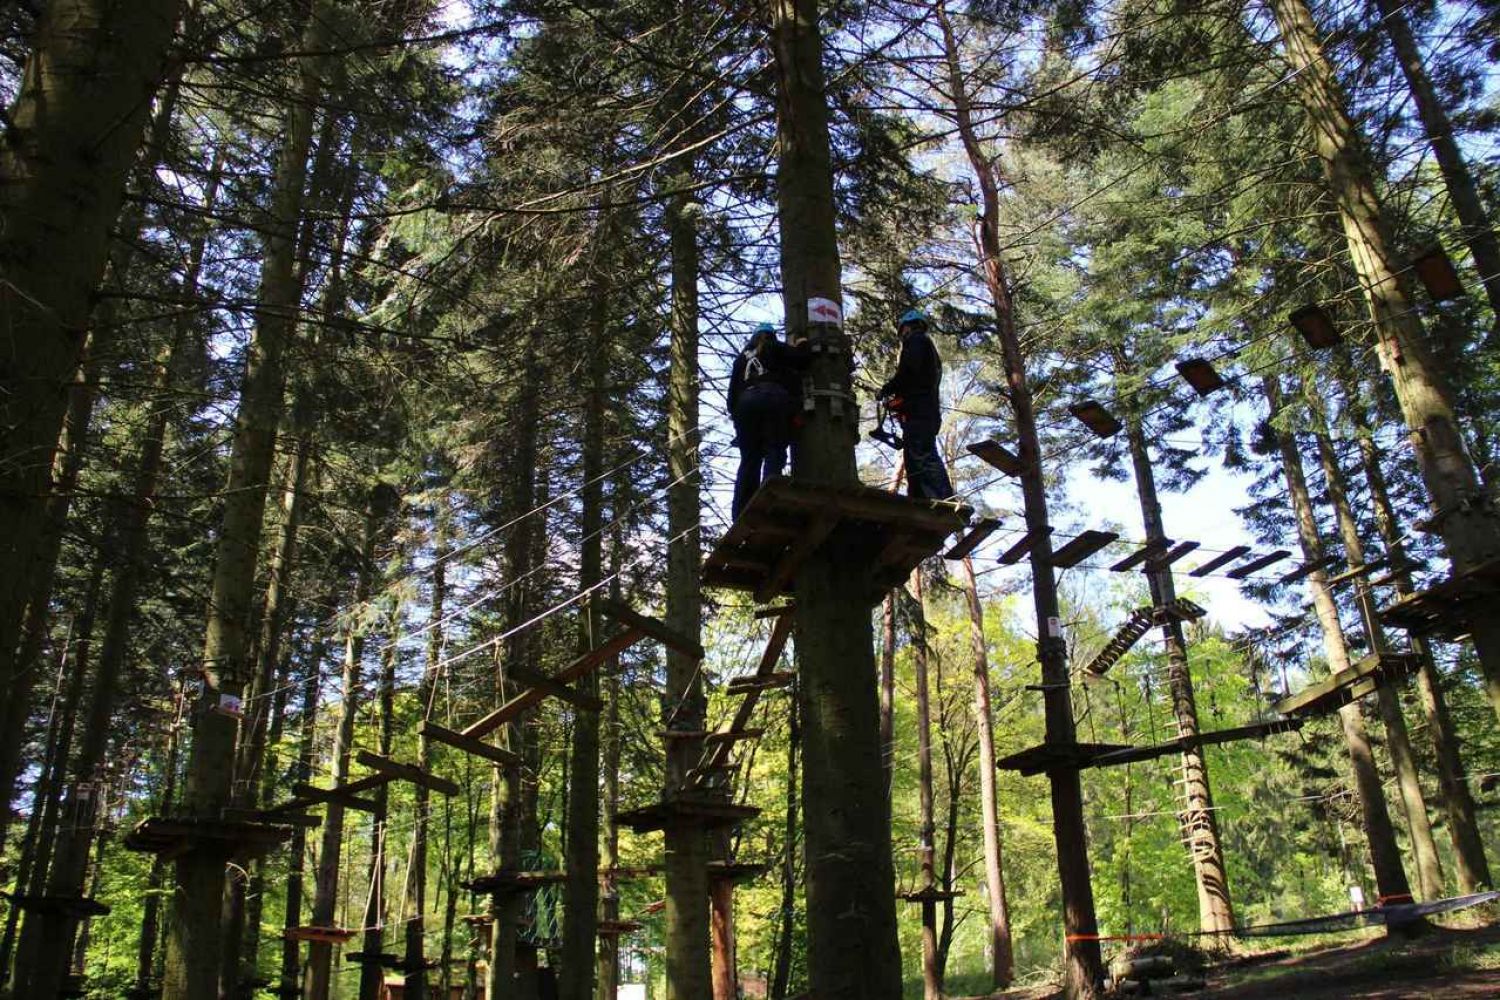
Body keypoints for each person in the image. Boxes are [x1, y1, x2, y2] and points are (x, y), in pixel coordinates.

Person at [728, 323, 808, 519]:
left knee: (750, 459)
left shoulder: (741, 359)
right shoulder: (774, 347)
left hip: (745, 405)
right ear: (771, 336)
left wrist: (738, 422)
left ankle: (741, 511)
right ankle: (770, 499)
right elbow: (802, 359)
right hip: (773, 397)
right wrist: (802, 344)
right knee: (775, 449)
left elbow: (731, 397)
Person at [878, 309, 954, 501]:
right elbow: (916, 379)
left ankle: (942, 498)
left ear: (907, 327)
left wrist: (887, 389)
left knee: (922, 456)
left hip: (919, 412)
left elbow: (907, 373)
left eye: (902, 330)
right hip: (923, 412)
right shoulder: (927, 349)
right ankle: (920, 498)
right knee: (914, 458)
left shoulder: (917, 341)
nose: (902, 335)